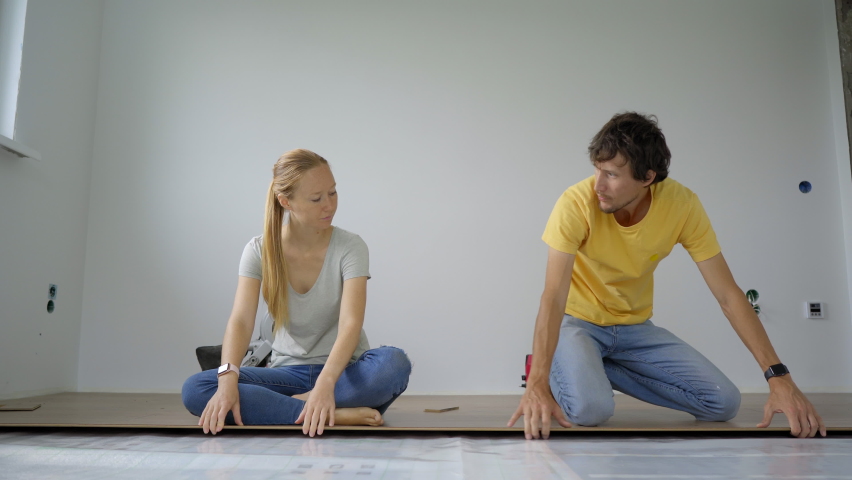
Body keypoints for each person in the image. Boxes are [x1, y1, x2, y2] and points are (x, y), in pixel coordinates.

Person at [508, 112, 826, 439]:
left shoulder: (682, 205)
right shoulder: (575, 203)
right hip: (576, 324)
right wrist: (537, 384)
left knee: (723, 402)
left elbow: (728, 294)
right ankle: (555, 364)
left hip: (634, 329)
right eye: (597, 170)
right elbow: (553, 296)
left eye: (612, 174)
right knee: (591, 410)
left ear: (648, 177)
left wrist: (779, 378)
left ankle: (580, 366)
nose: (598, 185)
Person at [182, 149, 411, 437]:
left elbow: (351, 324)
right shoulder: (258, 250)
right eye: (316, 198)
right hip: (286, 375)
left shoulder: (351, 247)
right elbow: (240, 320)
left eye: (333, 193)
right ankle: (329, 414)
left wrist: (325, 386)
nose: (329, 205)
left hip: (344, 373)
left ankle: (291, 407)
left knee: (393, 364)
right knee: (196, 388)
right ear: (285, 201)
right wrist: (228, 382)